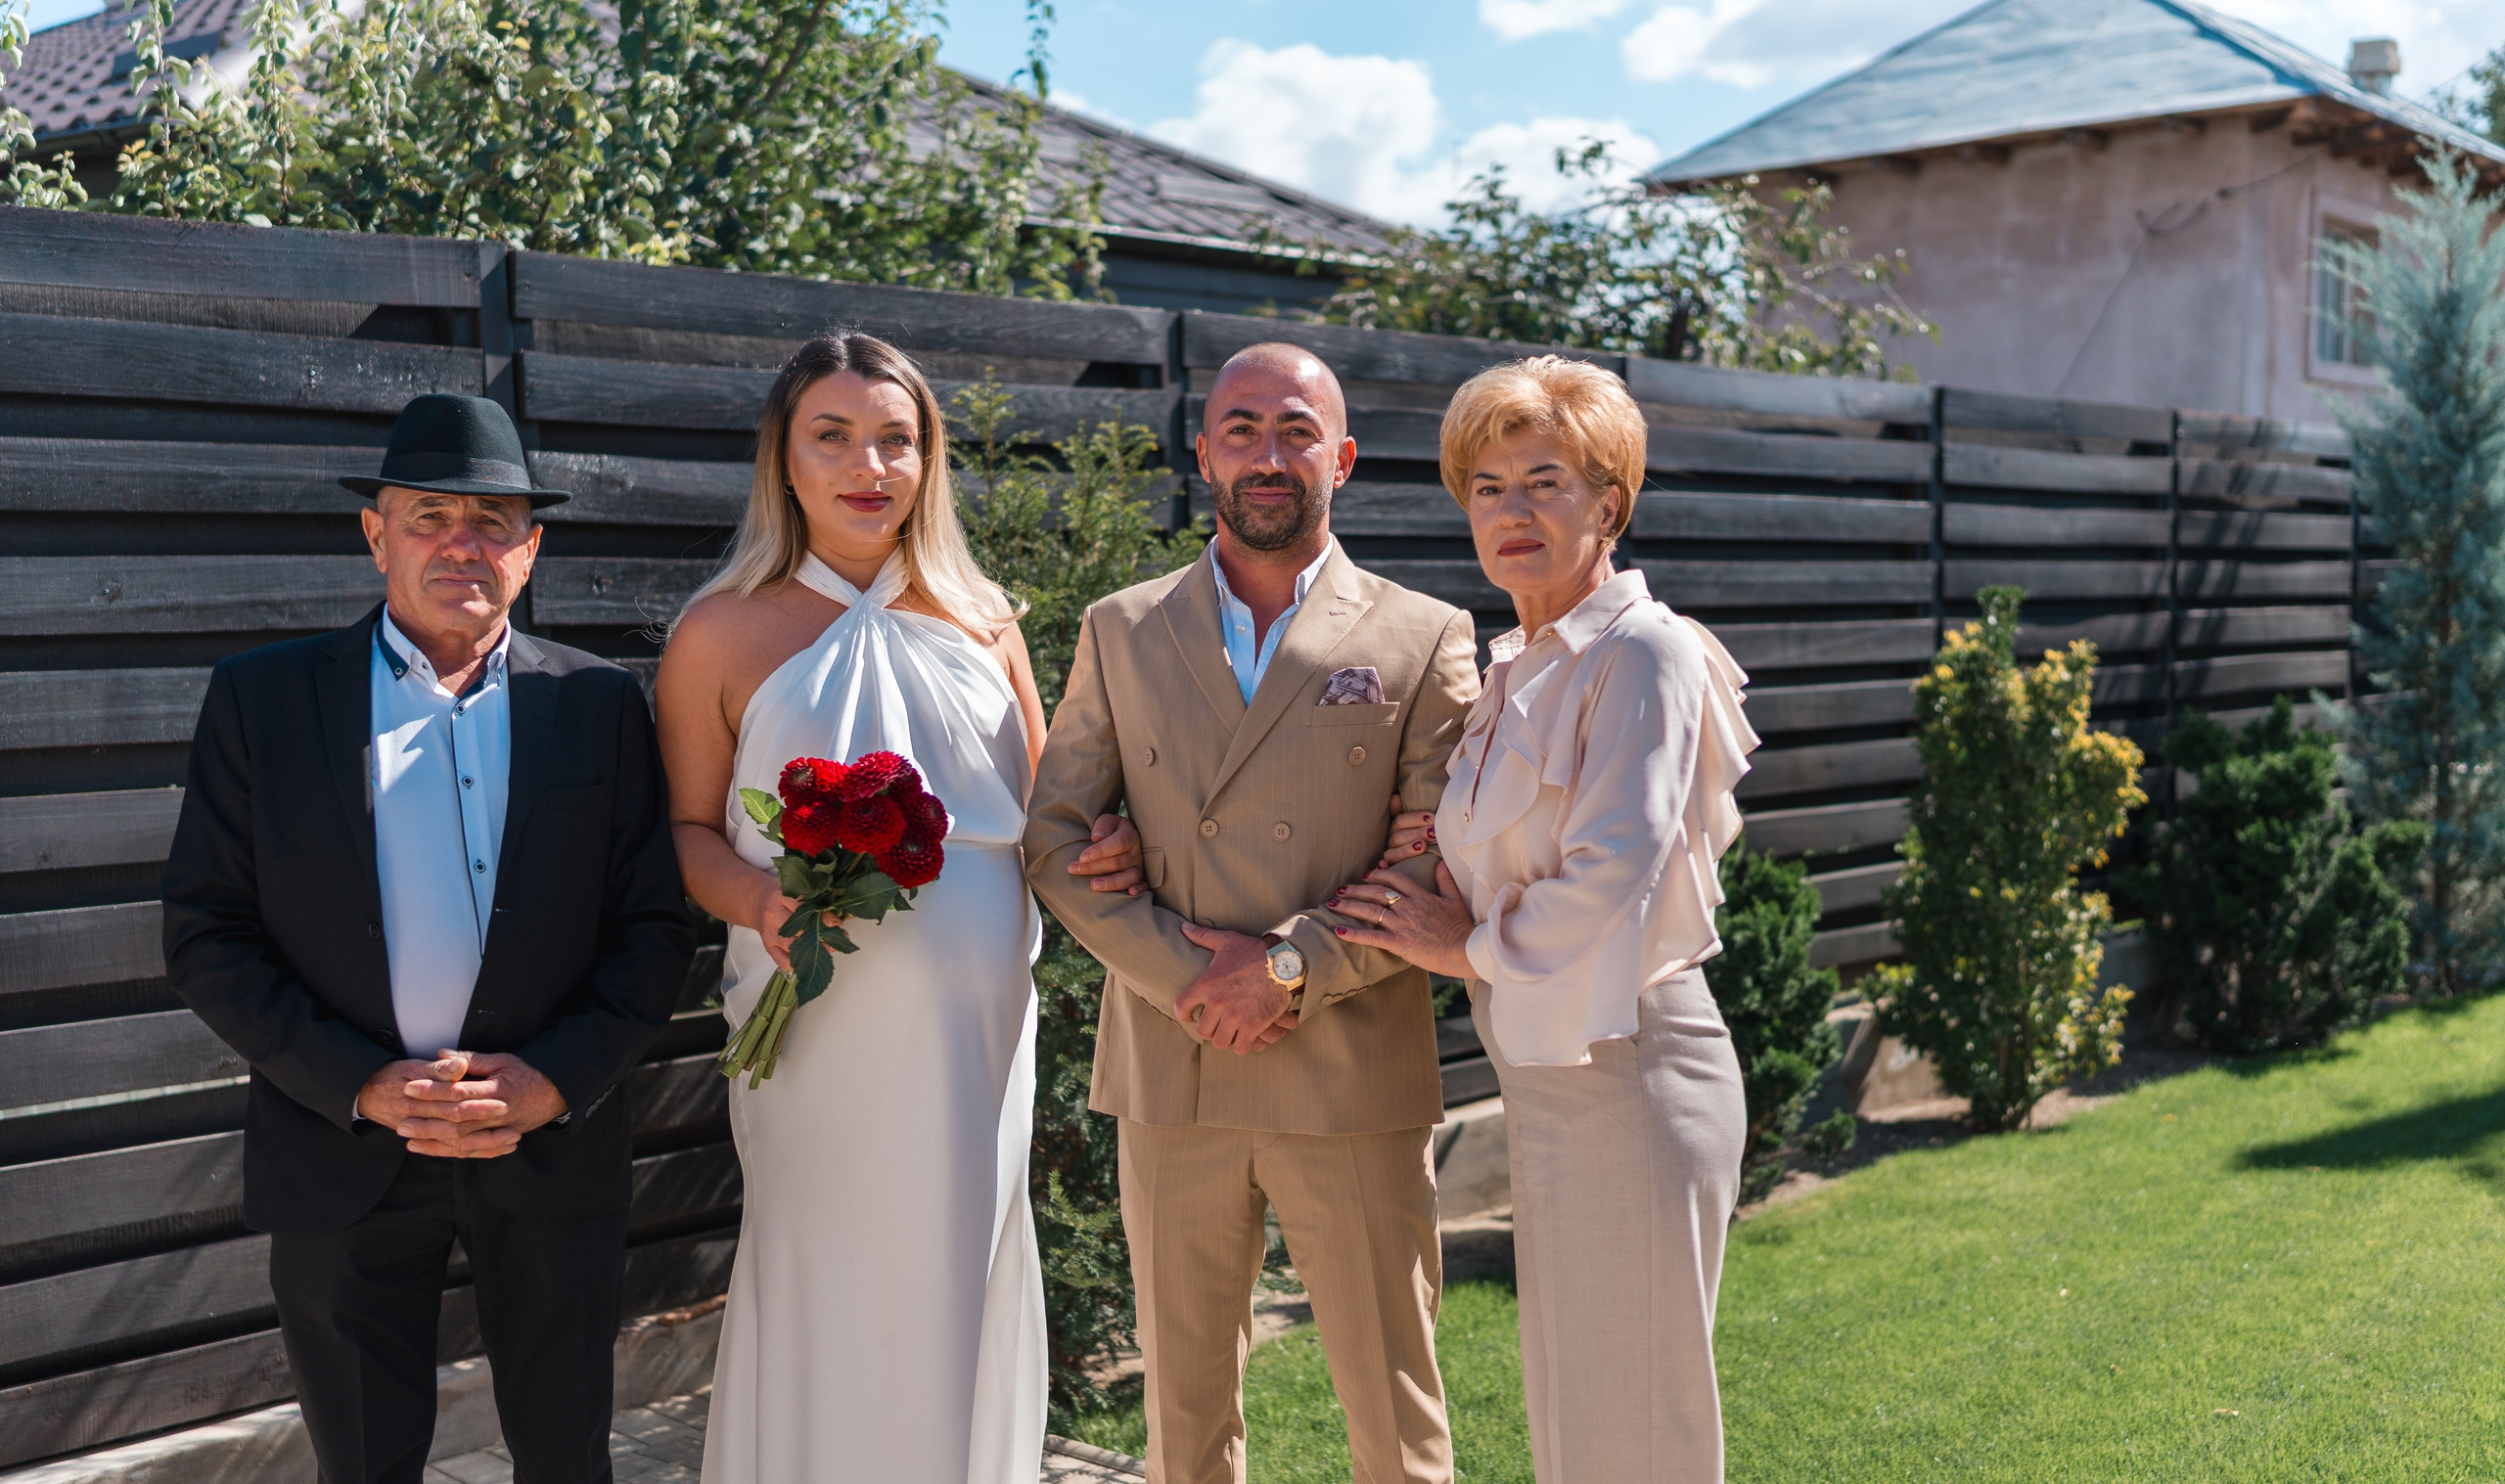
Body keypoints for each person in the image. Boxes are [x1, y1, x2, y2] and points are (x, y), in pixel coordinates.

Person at [161, 393, 695, 1484]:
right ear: (376, 534)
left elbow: (653, 929)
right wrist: (359, 1081)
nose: (465, 541)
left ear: (531, 546)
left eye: (495, 518)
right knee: (362, 1461)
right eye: (431, 514)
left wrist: (555, 1080)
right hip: (342, 1143)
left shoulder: (599, 703)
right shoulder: (261, 699)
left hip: (545, 1146)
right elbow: (208, 932)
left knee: (566, 1454)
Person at [657, 332, 1143, 1484]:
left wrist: (1112, 845)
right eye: (833, 436)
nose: (867, 463)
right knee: (827, 1265)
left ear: (929, 461)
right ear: (783, 459)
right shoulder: (719, 631)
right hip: (814, 1023)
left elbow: (1048, 819)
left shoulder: (987, 621)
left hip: (979, 1030)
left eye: (897, 438)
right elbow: (681, 834)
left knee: (959, 1265)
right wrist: (763, 899)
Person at [1024, 342, 1480, 1484]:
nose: (1267, 455)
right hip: (1174, 1066)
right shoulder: (1119, 627)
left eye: (1294, 430)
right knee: (1183, 1414)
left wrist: (1280, 969)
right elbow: (1056, 837)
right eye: (1241, 429)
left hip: (1350, 1063)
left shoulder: (1423, 635)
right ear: (1202, 451)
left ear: (1345, 456)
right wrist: (1186, 973)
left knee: (1394, 1405)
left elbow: (1438, 861)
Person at [1332, 356, 1759, 1484]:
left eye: (1545, 481)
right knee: (1578, 1420)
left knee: (1638, 1434)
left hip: (1635, 1069)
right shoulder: (1515, 666)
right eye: (1486, 486)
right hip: (1550, 1080)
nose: (1512, 512)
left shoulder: (1643, 651)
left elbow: (1610, 868)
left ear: (1608, 500)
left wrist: (1455, 944)